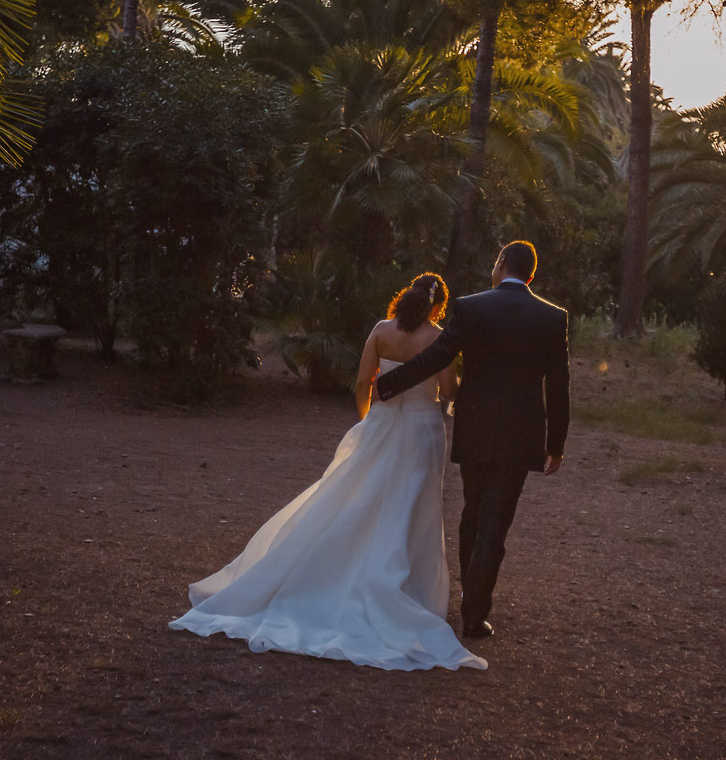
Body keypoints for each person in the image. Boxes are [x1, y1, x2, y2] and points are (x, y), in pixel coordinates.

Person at [170, 273, 488, 671]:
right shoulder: (438, 337)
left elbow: (362, 382)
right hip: (422, 431)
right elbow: (450, 390)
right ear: (439, 306)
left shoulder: (381, 329)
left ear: (405, 295)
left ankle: (329, 573)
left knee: (358, 499)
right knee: (413, 508)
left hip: (382, 424)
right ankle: (405, 587)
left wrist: (368, 422)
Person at [373, 240, 570, 639]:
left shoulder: (472, 306)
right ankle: (474, 613)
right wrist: (556, 444)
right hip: (520, 436)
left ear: (500, 264)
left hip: (476, 428)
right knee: (495, 524)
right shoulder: (551, 317)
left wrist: (389, 383)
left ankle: (470, 597)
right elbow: (559, 385)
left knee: (473, 513)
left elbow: (438, 356)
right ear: (530, 275)